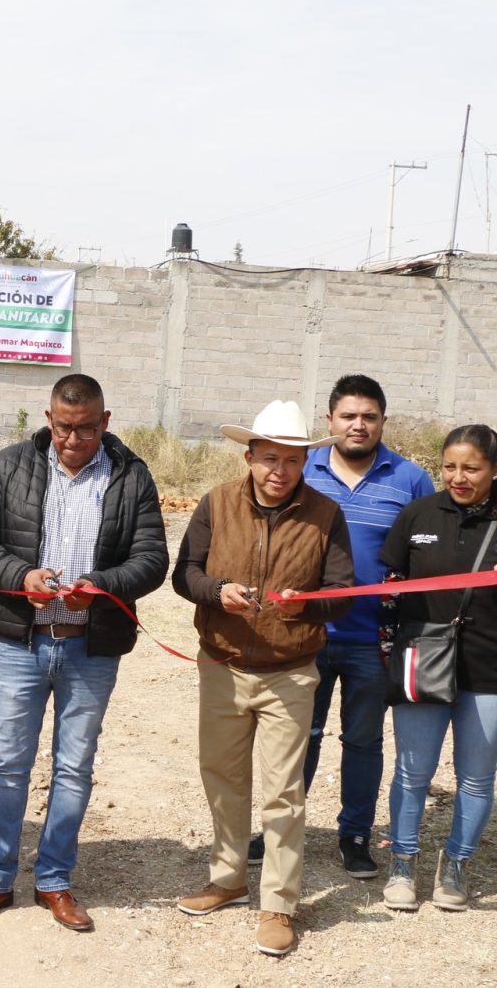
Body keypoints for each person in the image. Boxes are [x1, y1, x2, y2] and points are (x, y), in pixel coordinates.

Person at [0, 373, 168, 933]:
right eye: (65, 427)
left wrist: (101, 584)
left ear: (106, 422)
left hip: (91, 649)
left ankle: (53, 880)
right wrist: (19, 575)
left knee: (73, 768)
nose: (74, 439)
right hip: (20, 642)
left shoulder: (131, 474)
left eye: (87, 429)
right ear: (48, 420)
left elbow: (151, 559)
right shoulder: (13, 465)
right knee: (8, 766)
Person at [171, 399, 354, 957]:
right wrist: (216, 591)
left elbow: (341, 594)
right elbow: (185, 575)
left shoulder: (325, 514)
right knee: (222, 779)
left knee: (282, 793)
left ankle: (279, 904)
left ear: (305, 463)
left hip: (291, 673)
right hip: (222, 665)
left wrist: (307, 607)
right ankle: (228, 879)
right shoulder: (216, 503)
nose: (280, 470)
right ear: (249, 456)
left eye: (292, 460)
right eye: (269, 458)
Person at [294, 374, 433, 878]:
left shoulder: (411, 479)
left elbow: (427, 557)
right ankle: (280, 829)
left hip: (374, 642)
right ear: (329, 419)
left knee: (364, 742)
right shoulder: (300, 470)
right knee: (297, 737)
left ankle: (354, 835)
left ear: (383, 422)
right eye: (348, 416)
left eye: (369, 417)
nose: (358, 425)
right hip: (305, 637)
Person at [378, 424, 497, 913]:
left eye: (472, 468)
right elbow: (389, 587)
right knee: (411, 772)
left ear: (493, 469)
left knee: (476, 777)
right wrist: (389, 649)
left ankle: (456, 867)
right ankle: (402, 864)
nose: (458, 477)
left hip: (489, 672)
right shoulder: (419, 513)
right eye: (450, 466)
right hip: (422, 662)